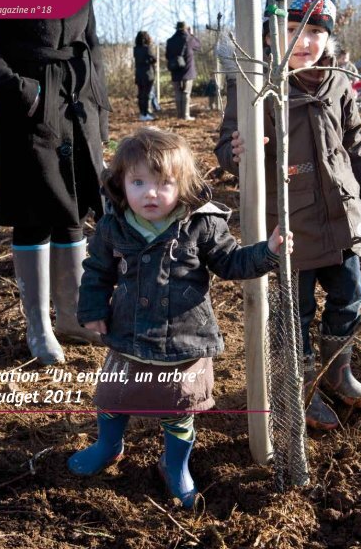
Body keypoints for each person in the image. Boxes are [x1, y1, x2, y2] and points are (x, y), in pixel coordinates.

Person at [67, 127, 293, 508]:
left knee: (178, 403)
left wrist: (268, 251)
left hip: (184, 339)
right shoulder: (113, 226)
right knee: (113, 394)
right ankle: (108, 444)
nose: (150, 193)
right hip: (128, 332)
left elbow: (231, 261)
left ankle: (174, 464)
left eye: (163, 183)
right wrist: (91, 311)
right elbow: (97, 272)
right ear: (122, 183)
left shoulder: (201, 224)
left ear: (183, 185)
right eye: (138, 182)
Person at [215, 0, 361, 431]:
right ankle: (300, 385)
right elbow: (227, 152)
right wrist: (239, 153)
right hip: (289, 222)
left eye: (316, 30)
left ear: (329, 35)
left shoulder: (338, 81)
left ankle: (339, 371)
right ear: (273, 35)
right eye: (294, 30)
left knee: (350, 295)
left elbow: (355, 144)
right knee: (296, 311)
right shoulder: (256, 85)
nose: (305, 41)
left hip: (342, 216)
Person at [0, 3, 112, 365]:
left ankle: (72, 316)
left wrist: (99, 115)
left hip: (77, 102)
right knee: (33, 213)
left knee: (75, 209)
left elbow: (92, 42)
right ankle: (39, 325)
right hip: (25, 108)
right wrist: (20, 92)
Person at [166, 22, 201, 121]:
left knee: (177, 93)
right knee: (186, 93)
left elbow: (167, 56)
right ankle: (186, 115)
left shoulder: (170, 40)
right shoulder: (189, 39)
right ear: (186, 28)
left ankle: (179, 115)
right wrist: (192, 34)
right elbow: (198, 46)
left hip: (175, 71)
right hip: (187, 71)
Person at [133, 31, 156, 122]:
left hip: (139, 74)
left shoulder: (135, 49)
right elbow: (153, 59)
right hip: (147, 74)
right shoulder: (147, 48)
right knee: (146, 95)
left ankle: (142, 113)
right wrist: (149, 61)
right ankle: (146, 113)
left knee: (141, 94)